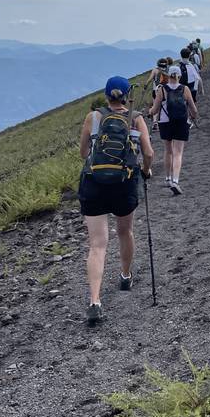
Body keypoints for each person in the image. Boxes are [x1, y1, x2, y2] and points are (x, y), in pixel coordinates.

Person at [78, 76, 153, 326]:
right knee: (125, 231)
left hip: (94, 183)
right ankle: (125, 275)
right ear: (126, 95)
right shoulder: (136, 117)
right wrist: (146, 170)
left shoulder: (93, 117)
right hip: (124, 182)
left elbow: (83, 153)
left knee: (97, 244)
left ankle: (95, 300)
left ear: (107, 95)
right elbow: (149, 153)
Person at [148, 64, 197, 195]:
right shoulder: (185, 89)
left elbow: (155, 110)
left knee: (168, 150)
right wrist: (193, 117)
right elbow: (194, 109)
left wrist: (149, 111)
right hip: (181, 122)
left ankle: (167, 178)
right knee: (178, 153)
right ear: (179, 75)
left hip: (165, 123)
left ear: (168, 75)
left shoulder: (162, 90)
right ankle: (175, 180)